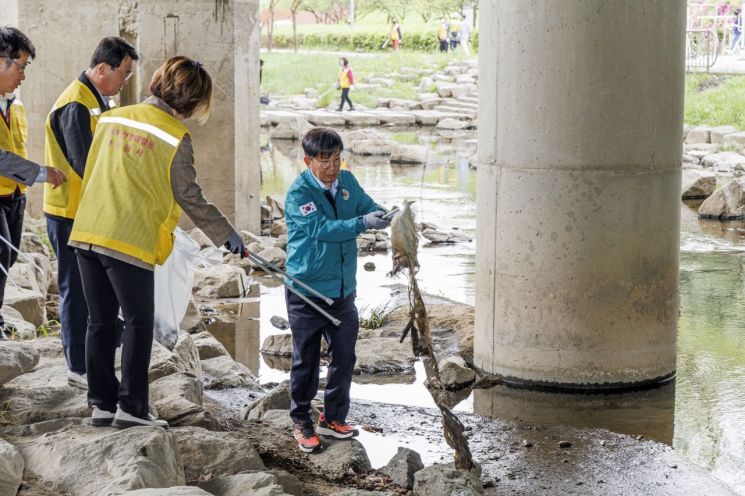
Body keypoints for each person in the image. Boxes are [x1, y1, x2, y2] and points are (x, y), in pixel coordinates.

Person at [69, 56, 247, 429]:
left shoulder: (112, 117)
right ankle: (132, 408)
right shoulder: (174, 137)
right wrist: (225, 234)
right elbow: (190, 196)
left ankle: (102, 403)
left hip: (87, 230)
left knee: (99, 321)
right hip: (128, 239)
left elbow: (95, 168)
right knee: (137, 322)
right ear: (194, 101)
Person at [284, 127, 390, 453]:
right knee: (306, 360)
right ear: (308, 160)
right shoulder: (298, 194)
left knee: (344, 356)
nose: (332, 167)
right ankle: (301, 420)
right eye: (325, 160)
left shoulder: (347, 182)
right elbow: (322, 230)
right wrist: (363, 224)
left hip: (343, 291)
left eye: (337, 159)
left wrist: (384, 215)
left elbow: (366, 205)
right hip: (307, 291)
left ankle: (332, 418)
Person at [44, 36, 138, 389]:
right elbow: (84, 163)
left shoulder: (97, 100)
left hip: (87, 212)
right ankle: (77, 366)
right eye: (124, 74)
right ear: (103, 69)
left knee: (94, 290)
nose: (125, 82)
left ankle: (94, 354)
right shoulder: (76, 104)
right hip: (69, 211)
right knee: (76, 289)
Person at [0, 26, 66, 341]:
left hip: (14, 195)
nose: (23, 75)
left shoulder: (16, 105)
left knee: (8, 257)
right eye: (20, 66)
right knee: (1, 253)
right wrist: (42, 173)